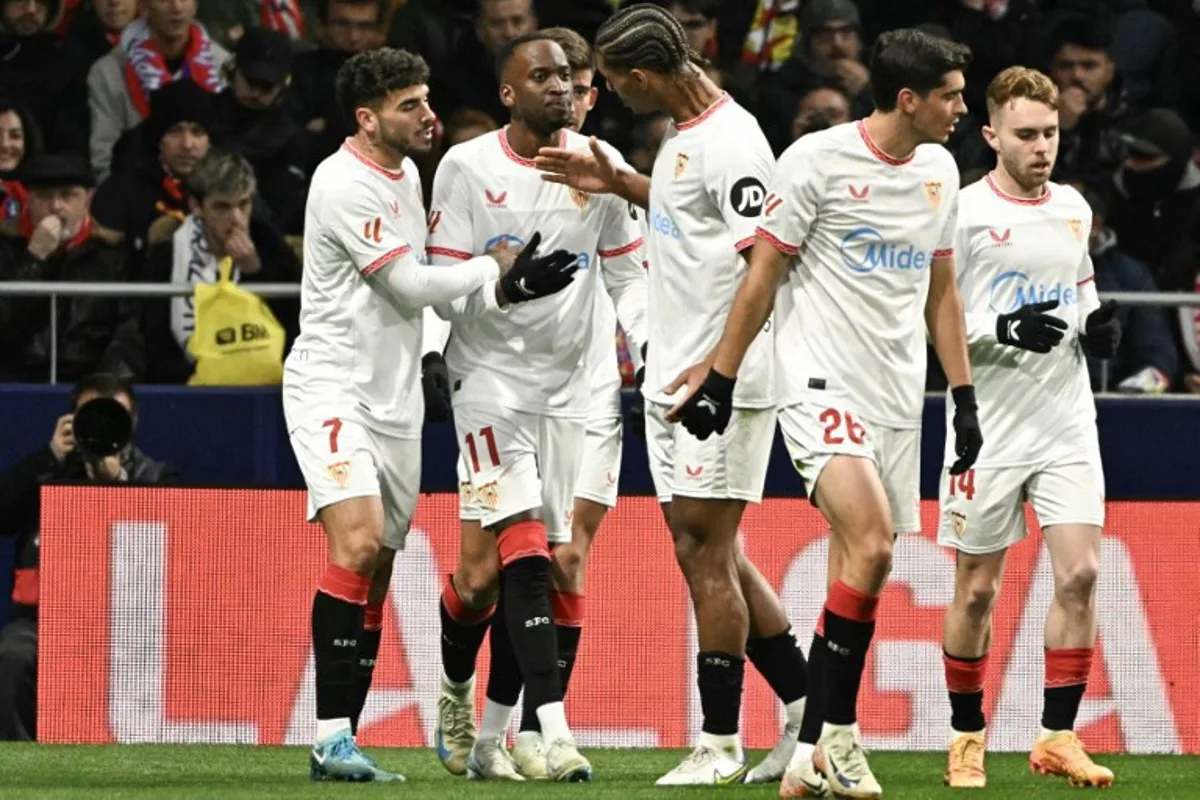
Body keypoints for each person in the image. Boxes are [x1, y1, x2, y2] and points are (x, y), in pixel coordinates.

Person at [664, 27, 982, 798]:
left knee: (859, 567)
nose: (963, 109)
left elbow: (940, 291)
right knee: (871, 544)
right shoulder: (815, 161)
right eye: (951, 95)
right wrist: (722, 379)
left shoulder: (940, 170)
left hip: (898, 396)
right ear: (908, 99)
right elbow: (762, 275)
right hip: (818, 383)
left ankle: (809, 762)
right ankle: (838, 736)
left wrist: (964, 397)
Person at [281, 46, 578, 783]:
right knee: (353, 545)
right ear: (367, 117)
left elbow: (437, 296)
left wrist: (496, 297)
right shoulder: (342, 182)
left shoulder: (409, 175)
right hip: (332, 389)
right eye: (410, 104)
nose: (428, 114)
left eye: (427, 98)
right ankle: (327, 738)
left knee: (378, 567)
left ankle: (342, 738)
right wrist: (495, 268)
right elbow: (411, 286)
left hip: (396, 400)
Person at [536, 4, 815, 786]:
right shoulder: (688, 137)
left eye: (612, 83)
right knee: (714, 551)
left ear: (638, 74)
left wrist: (719, 375)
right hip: (679, 374)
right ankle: (804, 714)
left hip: (716, 379)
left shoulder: (733, 141)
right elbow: (691, 222)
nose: (612, 97)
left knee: (704, 553)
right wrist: (623, 183)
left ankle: (720, 741)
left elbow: (765, 262)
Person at [425, 31, 648, 783]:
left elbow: (630, 278)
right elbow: (444, 278)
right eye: (541, 76)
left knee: (550, 564)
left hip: (579, 387)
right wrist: (495, 291)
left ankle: (493, 736)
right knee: (516, 547)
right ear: (508, 93)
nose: (561, 87)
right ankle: (544, 729)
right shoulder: (467, 167)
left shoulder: (601, 168)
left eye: (568, 77)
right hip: (488, 379)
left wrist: (651, 359)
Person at [937, 66, 1117, 790]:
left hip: (1067, 417)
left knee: (1081, 573)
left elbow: (1081, 290)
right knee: (977, 591)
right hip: (990, 422)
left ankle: (1057, 737)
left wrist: (1094, 325)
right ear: (991, 136)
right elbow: (936, 314)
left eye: (1050, 134)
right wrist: (998, 327)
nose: (1042, 147)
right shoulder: (962, 212)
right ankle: (965, 736)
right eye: (1026, 135)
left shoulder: (1073, 207)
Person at [0, 372, 177, 740]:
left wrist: (120, 488)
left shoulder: (156, 477)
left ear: (133, 423)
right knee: (13, 652)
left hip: (129, 627)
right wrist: (47, 459)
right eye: (90, 415)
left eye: (113, 416)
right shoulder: (45, 475)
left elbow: (173, 552)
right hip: (45, 621)